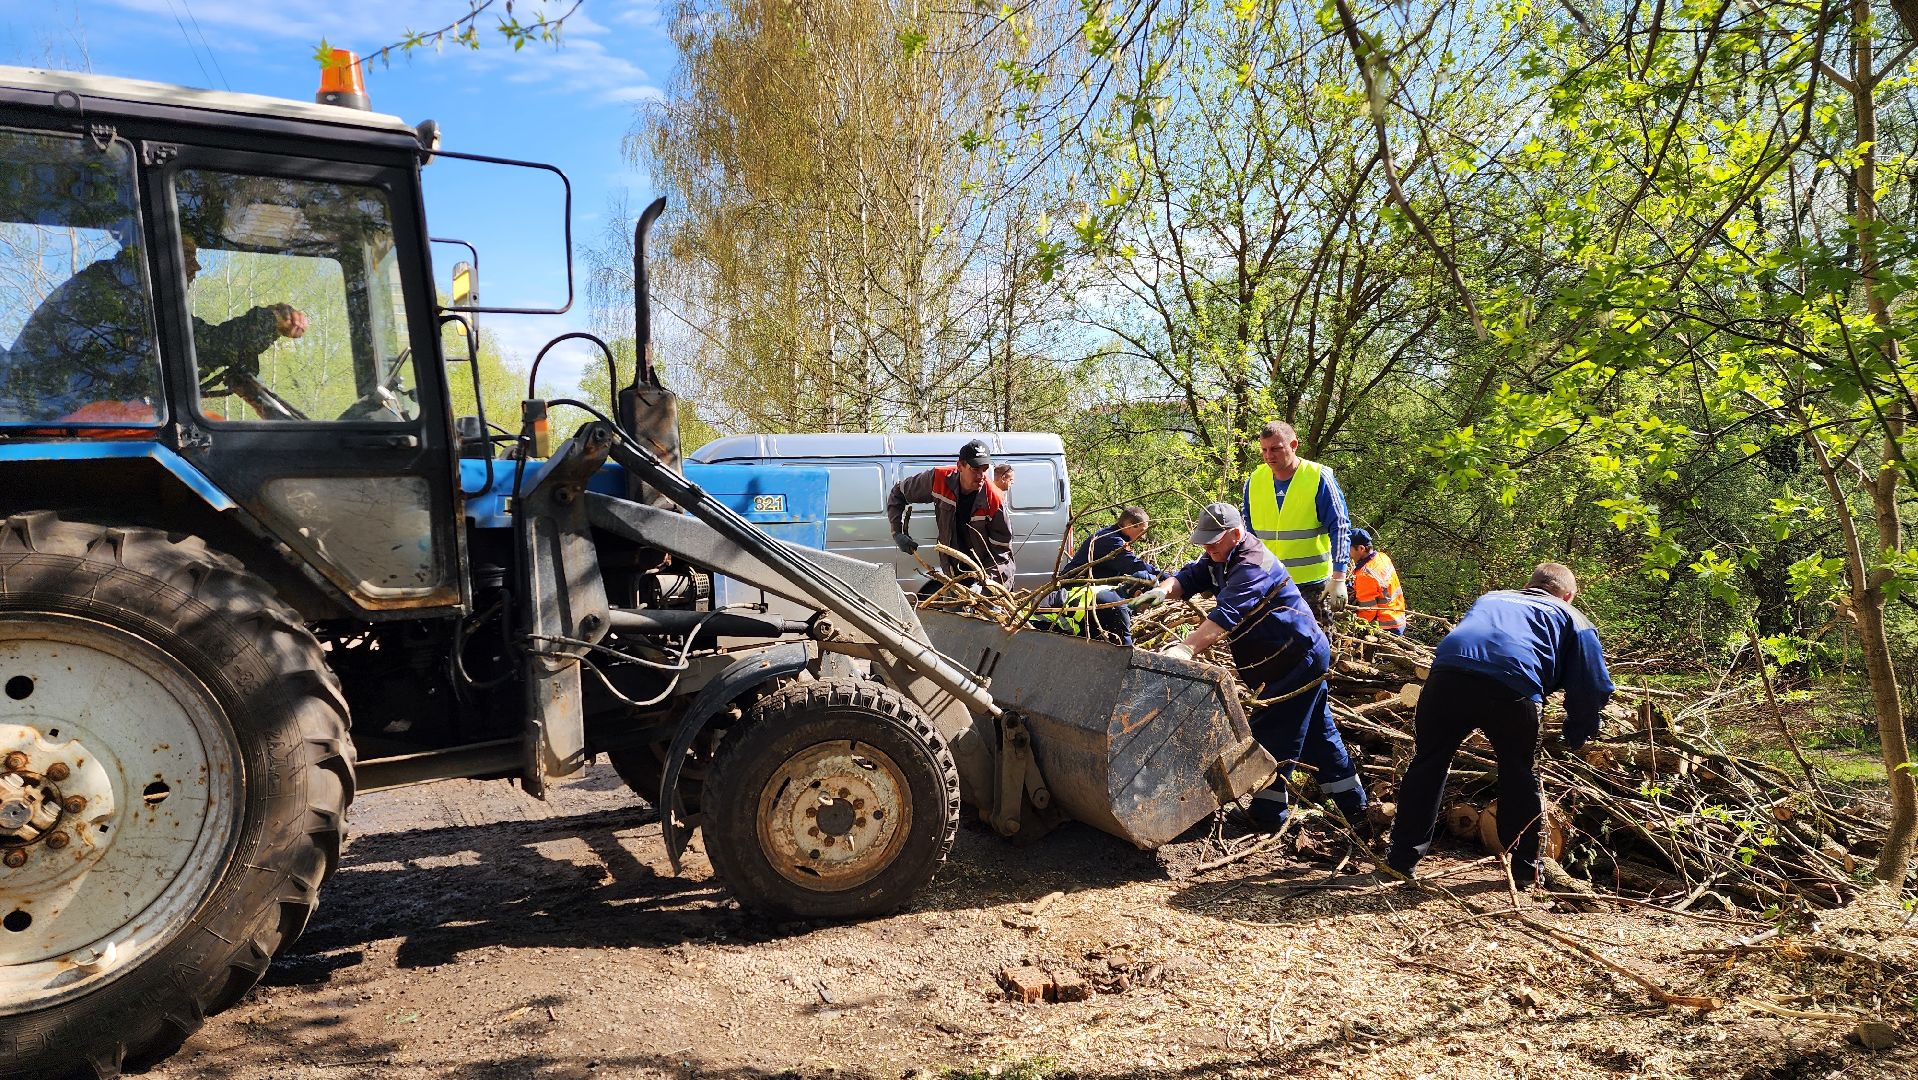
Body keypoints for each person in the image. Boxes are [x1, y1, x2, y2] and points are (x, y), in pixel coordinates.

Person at [1384, 562, 1614, 887]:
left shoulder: (1493, 598)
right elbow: (1594, 686)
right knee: (1519, 775)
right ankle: (1524, 873)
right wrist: (1577, 731)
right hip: (1513, 688)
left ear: (1528, 584)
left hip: (1447, 676)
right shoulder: (1572, 616)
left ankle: (1400, 861)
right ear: (1569, 595)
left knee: (1428, 764)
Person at [1152, 502, 1368, 830]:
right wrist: (1163, 590)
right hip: (1279, 660)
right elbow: (1189, 576)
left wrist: (1186, 648)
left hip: (1296, 657)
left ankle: (1268, 813)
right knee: (1318, 736)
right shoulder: (1219, 556)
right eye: (1203, 542)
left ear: (1236, 534)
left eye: (1212, 542)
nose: (1207, 548)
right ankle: (1355, 809)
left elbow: (1225, 616)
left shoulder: (1251, 564)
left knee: (1270, 735)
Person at [5, 237, 307, 422]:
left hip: (54, 407)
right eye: (188, 256)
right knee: (216, 437)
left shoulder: (115, 285)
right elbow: (205, 345)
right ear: (158, 258)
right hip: (62, 412)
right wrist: (273, 319)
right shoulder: (129, 296)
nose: (197, 267)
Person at [1240, 420, 1350, 626]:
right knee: (1273, 645)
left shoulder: (1318, 477)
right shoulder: (1254, 481)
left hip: (1312, 585)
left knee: (1317, 645)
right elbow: (1247, 533)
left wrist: (1339, 577)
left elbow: (1340, 527)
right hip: (1269, 581)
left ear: (1293, 445)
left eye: (1276, 449)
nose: (1268, 456)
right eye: (1264, 449)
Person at [887, 438, 1016, 588]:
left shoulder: (994, 499)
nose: (981, 475)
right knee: (952, 611)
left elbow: (1002, 553)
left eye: (985, 469)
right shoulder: (939, 479)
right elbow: (898, 493)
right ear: (960, 466)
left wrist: (985, 584)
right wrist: (897, 532)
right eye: (975, 469)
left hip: (987, 579)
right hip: (953, 576)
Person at [1032, 507, 1160, 646]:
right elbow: (1133, 565)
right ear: (1129, 526)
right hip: (1043, 618)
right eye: (1141, 531)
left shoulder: (1111, 537)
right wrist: (1168, 577)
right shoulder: (1112, 541)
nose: (1144, 536)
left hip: (1065, 598)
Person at [1348, 528, 1406, 635]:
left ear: (1361, 548)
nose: (1348, 553)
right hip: (1399, 617)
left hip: (1385, 625)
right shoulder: (1382, 557)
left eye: (1349, 548)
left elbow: (1368, 611)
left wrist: (1355, 625)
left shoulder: (1365, 574)